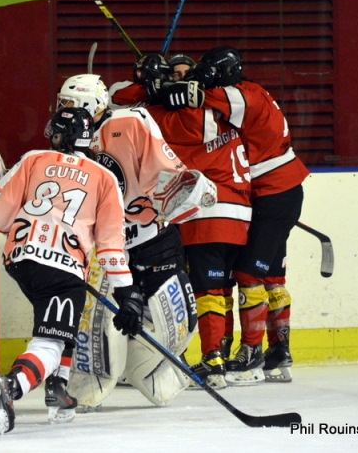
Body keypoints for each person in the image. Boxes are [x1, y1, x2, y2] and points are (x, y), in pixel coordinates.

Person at [0, 107, 143, 434]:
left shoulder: (34, 158)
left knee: (59, 322)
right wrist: (126, 292)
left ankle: (58, 388)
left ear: (60, 136)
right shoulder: (105, 177)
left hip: (21, 260)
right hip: (62, 267)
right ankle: (10, 386)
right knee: (51, 340)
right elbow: (110, 243)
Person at [56, 74, 214, 408]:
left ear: (90, 103)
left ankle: (150, 370)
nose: (63, 110)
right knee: (97, 327)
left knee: (177, 323)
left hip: (153, 238)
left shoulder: (129, 122)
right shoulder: (66, 136)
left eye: (68, 102)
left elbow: (166, 171)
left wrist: (183, 189)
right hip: (107, 251)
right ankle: (89, 386)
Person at [160, 46, 309, 383]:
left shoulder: (239, 97)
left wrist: (163, 87)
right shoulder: (252, 92)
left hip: (272, 194)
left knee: (247, 275)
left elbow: (195, 99)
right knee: (272, 276)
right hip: (277, 192)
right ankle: (278, 352)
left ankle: (253, 354)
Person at [110, 54, 252, 389]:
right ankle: (222, 355)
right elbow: (118, 94)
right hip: (236, 213)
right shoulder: (221, 108)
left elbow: (119, 105)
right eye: (174, 74)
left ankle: (211, 359)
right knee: (218, 290)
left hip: (206, 212)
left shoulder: (179, 116)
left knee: (200, 290)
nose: (180, 80)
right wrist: (154, 87)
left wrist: (155, 95)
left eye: (187, 76)